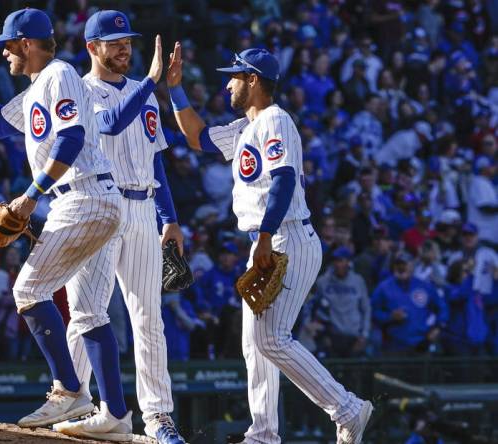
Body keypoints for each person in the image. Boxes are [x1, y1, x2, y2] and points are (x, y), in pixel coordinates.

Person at [166, 46, 372, 444]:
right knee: (254, 345)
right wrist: (175, 89)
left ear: (253, 79)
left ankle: (347, 408)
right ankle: (263, 434)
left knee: (271, 339)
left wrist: (263, 238)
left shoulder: (276, 120)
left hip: (285, 235)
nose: (227, 83)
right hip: (269, 237)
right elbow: (197, 136)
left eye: (235, 76)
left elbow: (284, 182)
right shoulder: (246, 127)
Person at [0, 9, 131, 440]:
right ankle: (115, 415)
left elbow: (71, 137)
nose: (4, 52)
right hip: (91, 199)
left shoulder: (58, 73)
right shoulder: (41, 84)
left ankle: (69, 389)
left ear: (26, 43)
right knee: (90, 312)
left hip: (82, 197)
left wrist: (30, 195)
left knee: (28, 290)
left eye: (8, 44)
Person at [59, 10, 185, 443]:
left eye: (127, 41)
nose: (124, 48)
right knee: (88, 312)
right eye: (114, 43)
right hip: (100, 206)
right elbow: (110, 123)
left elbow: (156, 158)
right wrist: (152, 81)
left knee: (149, 318)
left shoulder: (142, 91)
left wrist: (170, 219)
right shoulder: (80, 89)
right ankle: (71, 397)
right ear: (92, 47)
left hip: (143, 208)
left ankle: (158, 417)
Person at [371, 253, 449, 354]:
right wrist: (389, 316)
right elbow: (373, 312)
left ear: (412, 266)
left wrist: (437, 328)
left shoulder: (424, 286)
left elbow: (442, 308)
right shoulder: (384, 287)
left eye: (405, 264)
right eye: (398, 264)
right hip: (393, 343)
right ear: (393, 267)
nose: (401, 268)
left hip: (421, 343)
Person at [313, 247, 371, 358]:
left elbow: (366, 309)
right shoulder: (323, 282)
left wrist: (364, 335)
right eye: (335, 260)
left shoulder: (358, 281)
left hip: (354, 336)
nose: (337, 264)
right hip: (331, 336)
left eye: (341, 260)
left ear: (348, 262)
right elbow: (315, 309)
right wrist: (322, 335)